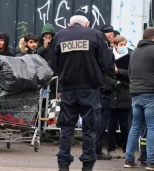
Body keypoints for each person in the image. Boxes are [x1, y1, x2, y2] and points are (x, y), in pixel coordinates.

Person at [51, 10, 111, 171]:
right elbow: (106, 63)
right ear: (87, 24)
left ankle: (63, 165)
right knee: (90, 129)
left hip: (68, 89)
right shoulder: (96, 35)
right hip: (90, 89)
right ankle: (87, 165)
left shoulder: (60, 36)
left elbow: (54, 65)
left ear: (69, 24)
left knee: (66, 128)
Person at [125, 27, 154, 170]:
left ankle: (129, 160)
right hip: (150, 93)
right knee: (152, 127)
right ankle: (151, 161)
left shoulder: (134, 52)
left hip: (135, 93)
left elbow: (130, 72)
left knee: (135, 127)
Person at [107, 35, 132, 158]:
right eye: (121, 44)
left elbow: (132, 74)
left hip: (125, 94)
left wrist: (118, 72)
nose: (123, 47)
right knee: (111, 124)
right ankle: (111, 148)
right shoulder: (109, 57)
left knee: (125, 124)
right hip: (112, 94)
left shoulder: (130, 56)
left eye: (124, 44)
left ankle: (127, 149)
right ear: (115, 45)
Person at [95, 24, 116, 160]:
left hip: (100, 87)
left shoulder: (100, 44)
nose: (113, 37)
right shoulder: (104, 47)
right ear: (107, 34)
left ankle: (95, 149)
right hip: (104, 87)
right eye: (112, 34)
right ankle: (96, 150)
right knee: (102, 122)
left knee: (99, 121)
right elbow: (108, 66)